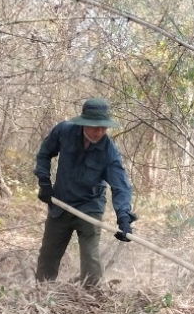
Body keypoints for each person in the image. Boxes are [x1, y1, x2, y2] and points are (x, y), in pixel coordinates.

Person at [34, 98, 137, 286]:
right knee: (48, 255)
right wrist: (44, 181)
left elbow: (120, 185)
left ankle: (93, 296)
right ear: (83, 123)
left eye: (103, 127)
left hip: (90, 207)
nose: (99, 132)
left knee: (91, 258)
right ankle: (43, 292)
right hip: (61, 203)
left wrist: (123, 216)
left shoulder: (109, 151)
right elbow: (44, 153)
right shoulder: (64, 131)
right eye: (94, 126)